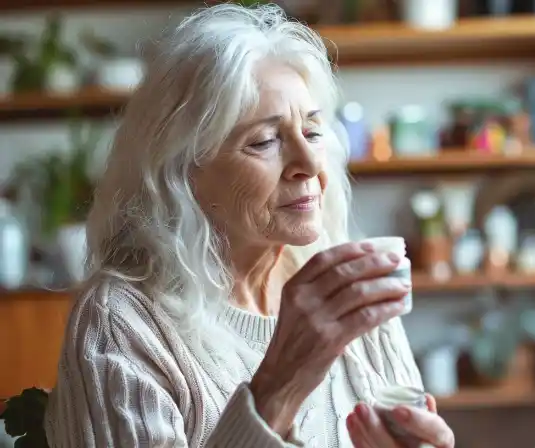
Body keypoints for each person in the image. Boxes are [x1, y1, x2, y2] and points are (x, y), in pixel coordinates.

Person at [43, 4, 455, 447]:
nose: (309, 163)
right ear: (181, 172)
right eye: (264, 141)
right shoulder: (123, 323)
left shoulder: (346, 287)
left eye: (313, 132)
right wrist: (278, 387)